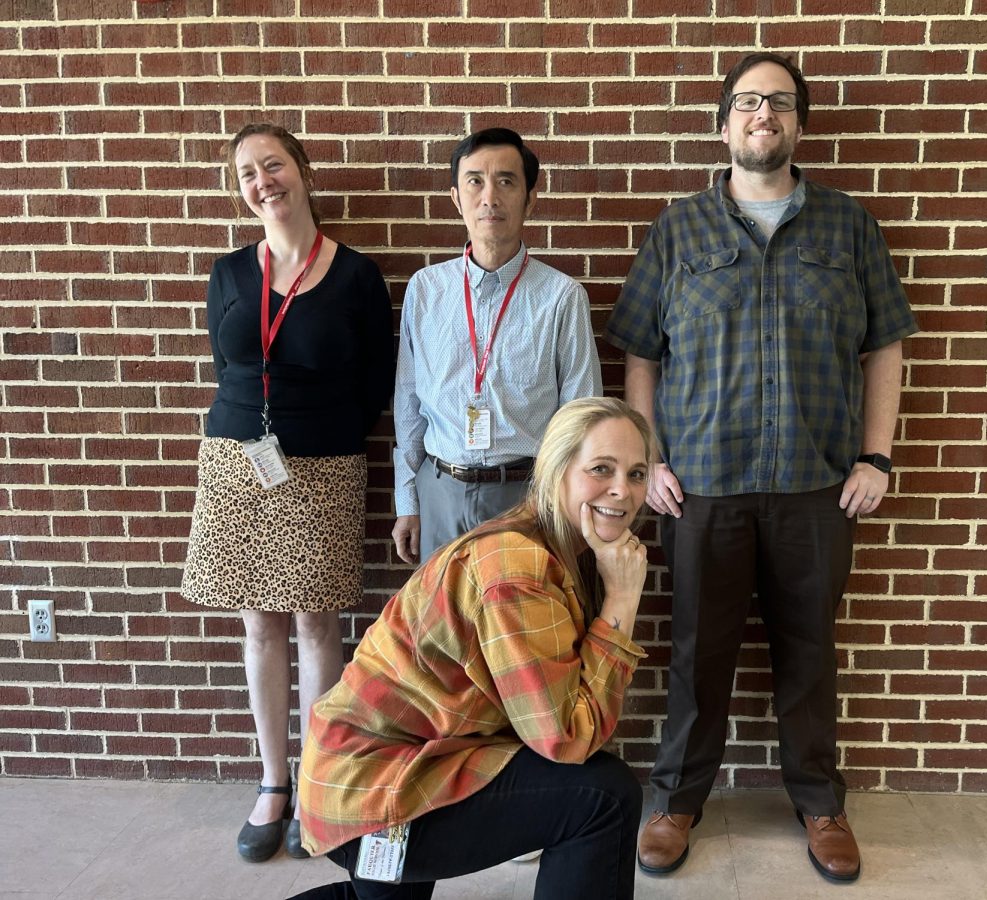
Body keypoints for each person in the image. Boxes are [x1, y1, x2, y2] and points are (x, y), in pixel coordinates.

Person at [605, 52, 919, 883]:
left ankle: (820, 805)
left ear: (799, 124)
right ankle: (675, 801)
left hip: (817, 487)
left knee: (810, 656)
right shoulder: (679, 229)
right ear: (724, 125)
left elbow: (885, 345)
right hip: (702, 489)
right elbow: (641, 353)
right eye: (747, 102)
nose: (762, 115)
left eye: (778, 102)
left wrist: (877, 456)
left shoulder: (849, 227)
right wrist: (649, 460)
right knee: (696, 654)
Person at [289, 397, 652, 900]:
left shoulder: (563, 547)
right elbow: (566, 737)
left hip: (403, 762)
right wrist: (622, 601)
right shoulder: (519, 568)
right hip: (373, 787)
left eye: (637, 474)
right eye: (601, 469)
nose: (622, 490)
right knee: (603, 797)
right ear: (557, 469)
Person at [181, 123, 395, 863]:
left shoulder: (357, 275)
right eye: (247, 173)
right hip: (238, 462)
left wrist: (322, 429)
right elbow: (226, 366)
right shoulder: (228, 273)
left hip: (325, 463)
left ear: (302, 170)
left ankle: (316, 783)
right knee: (260, 627)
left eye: (273, 164)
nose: (262, 181)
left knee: (316, 626)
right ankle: (273, 782)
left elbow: (376, 380)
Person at [391, 127, 602, 569]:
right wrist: (407, 501)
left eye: (506, 181)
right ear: (456, 197)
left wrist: (568, 508)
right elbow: (408, 405)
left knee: (523, 614)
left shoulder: (562, 297)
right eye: (475, 181)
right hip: (440, 491)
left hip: (528, 496)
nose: (490, 197)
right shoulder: (425, 290)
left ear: (530, 199)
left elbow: (581, 417)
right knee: (443, 614)